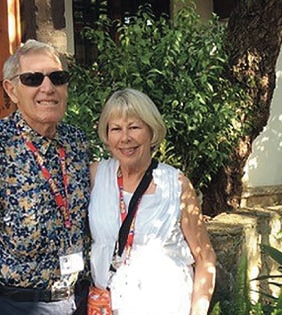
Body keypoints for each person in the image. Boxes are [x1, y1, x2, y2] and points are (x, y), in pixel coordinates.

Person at [0, 39, 90, 315]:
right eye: (32, 79)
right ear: (11, 90)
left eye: (57, 78)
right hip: (17, 305)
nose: (47, 88)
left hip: (79, 300)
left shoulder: (76, 142)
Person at [88, 88, 217, 315]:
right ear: (107, 136)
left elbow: (205, 257)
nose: (125, 137)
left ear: (151, 131)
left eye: (134, 127)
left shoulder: (176, 185)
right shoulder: (97, 176)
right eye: (116, 128)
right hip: (108, 306)